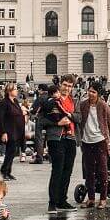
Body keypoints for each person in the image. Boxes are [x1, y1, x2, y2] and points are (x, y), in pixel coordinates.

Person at [78, 81, 110, 209]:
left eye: (93, 92)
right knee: (89, 171)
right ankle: (91, 198)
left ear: (98, 94)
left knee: (102, 170)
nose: (90, 93)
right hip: (87, 141)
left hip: (100, 142)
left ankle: (103, 199)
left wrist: (103, 133)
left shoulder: (103, 106)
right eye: (89, 91)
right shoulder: (83, 105)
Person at [45, 76, 78, 213]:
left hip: (71, 138)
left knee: (67, 171)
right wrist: (57, 123)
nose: (67, 88)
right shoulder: (52, 101)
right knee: (57, 170)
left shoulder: (74, 101)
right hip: (56, 138)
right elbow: (41, 119)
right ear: (60, 85)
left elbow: (79, 117)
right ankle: (52, 203)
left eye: (70, 86)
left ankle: (62, 200)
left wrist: (70, 116)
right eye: (65, 85)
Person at [0, 82, 26, 181]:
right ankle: (4, 171)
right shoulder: (4, 103)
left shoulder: (15, 101)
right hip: (9, 131)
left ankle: (8, 172)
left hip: (17, 131)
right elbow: (0, 118)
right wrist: (3, 132)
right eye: (15, 89)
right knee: (10, 152)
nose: (16, 91)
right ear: (9, 91)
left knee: (12, 152)